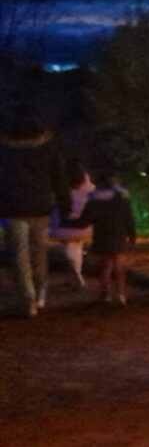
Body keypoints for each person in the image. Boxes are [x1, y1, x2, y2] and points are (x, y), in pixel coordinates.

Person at [0, 108, 68, 317]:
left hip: (12, 209)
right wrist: (64, 206)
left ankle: (27, 298)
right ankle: (40, 294)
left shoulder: (4, 150)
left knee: (19, 257)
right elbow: (59, 179)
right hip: (40, 209)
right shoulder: (49, 149)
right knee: (39, 253)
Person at [80, 171, 137, 306]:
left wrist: (74, 224)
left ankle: (106, 294)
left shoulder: (95, 198)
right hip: (118, 233)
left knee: (105, 265)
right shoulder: (122, 196)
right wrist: (132, 233)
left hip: (102, 234)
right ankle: (121, 294)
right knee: (119, 265)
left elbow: (86, 218)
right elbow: (128, 216)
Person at [50, 165, 95, 288]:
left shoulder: (64, 192)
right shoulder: (91, 191)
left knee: (72, 248)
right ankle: (74, 274)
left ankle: (75, 273)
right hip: (86, 226)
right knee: (77, 248)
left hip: (65, 226)